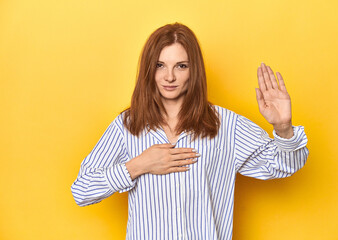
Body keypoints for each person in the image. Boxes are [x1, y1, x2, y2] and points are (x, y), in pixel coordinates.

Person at [71, 22, 309, 239]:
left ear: (193, 71)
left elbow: (284, 165)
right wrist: (139, 165)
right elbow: (81, 190)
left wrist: (283, 127)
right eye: (160, 65)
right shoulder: (127, 126)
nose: (169, 76)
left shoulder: (226, 125)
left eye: (181, 66)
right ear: (148, 69)